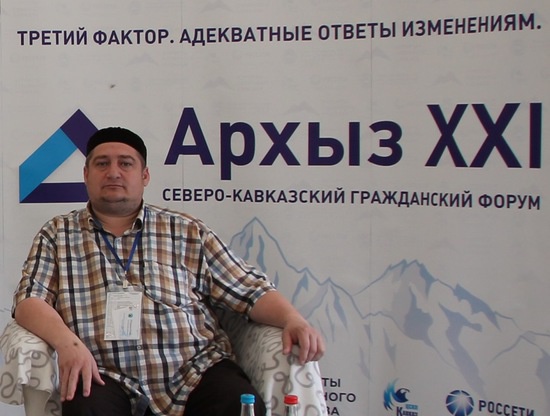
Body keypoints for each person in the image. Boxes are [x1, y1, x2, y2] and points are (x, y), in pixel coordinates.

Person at [12, 127, 325, 416]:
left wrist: (292, 319)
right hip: (102, 372)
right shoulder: (57, 234)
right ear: (86, 174)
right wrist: (68, 344)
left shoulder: (187, 230)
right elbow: (29, 300)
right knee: (85, 410)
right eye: (102, 163)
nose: (114, 172)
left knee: (236, 402)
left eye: (126, 163)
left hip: (195, 369)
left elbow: (249, 289)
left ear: (145, 175)